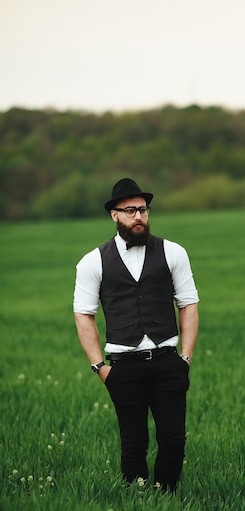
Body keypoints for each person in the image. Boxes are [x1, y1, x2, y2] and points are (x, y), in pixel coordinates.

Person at [73, 178, 199, 492]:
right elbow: (83, 315)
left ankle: (167, 497)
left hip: (168, 361)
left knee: (173, 439)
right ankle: (137, 500)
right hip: (122, 366)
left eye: (142, 209)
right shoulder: (93, 261)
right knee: (133, 442)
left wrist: (185, 357)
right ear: (114, 215)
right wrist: (99, 367)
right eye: (129, 210)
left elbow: (189, 304)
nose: (138, 216)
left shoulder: (173, 252)